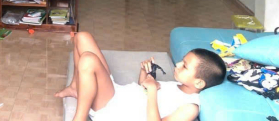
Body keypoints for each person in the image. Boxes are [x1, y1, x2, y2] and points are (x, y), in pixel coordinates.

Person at [55, 32, 226, 121]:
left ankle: (80, 117)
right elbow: (142, 89)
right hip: (118, 93)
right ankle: (75, 87)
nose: (178, 65)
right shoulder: (178, 85)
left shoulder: (190, 108)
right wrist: (145, 74)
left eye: (185, 66)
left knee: (88, 59)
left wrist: (152, 91)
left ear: (199, 82)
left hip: (112, 108)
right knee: (82, 37)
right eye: (182, 61)